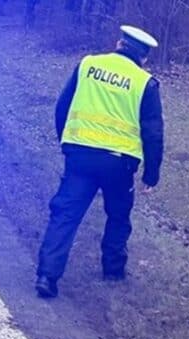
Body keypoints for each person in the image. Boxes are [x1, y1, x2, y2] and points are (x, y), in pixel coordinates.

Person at [35, 25, 164, 299]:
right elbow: (153, 133)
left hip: (80, 157)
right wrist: (151, 175)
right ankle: (113, 270)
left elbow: (62, 106)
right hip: (119, 165)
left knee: (66, 214)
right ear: (144, 57)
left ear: (118, 43)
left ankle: (47, 276)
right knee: (118, 215)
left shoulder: (88, 65)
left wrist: (66, 142)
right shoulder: (145, 83)